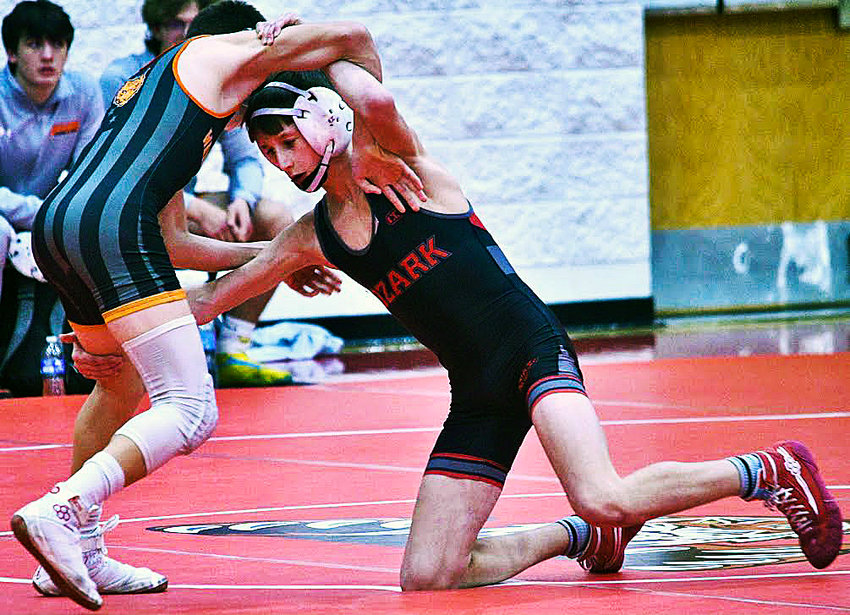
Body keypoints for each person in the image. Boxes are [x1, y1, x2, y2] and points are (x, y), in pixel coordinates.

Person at [186, 39, 845, 590]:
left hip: (532, 348)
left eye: (286, 142)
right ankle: (582, 536)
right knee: (429, 573)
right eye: (268, 152)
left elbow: (373, 93)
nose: (280, 162)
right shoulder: (314, 234)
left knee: (602, 488)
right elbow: (216, 295)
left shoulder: (406, 169)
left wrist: (305, 44)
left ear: (322, 118)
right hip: (476, 391)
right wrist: (110, 323)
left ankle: (766, 468)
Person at [10, 3, 421, 610]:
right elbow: (356, 36)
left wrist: (279, 253)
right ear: (246, 39)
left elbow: (173, 241)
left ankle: (81, 554)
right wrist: (367, 145)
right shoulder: (222, 55)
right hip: (110, 231)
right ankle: (61, 509)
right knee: (191, 409)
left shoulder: (159, 91)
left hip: (60, 228)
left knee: (118, 385)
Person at [100, 0, 298, 388]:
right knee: (185, 407)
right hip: (138, 204)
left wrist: (243, 200)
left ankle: (232, 346)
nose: (185, 34)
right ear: (156, 28)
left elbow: (244, 157)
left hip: (164, 200)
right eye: (176, 24)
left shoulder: (218, 76)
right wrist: (288, 256)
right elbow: (130, 170)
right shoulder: (135, 77)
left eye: (193, 25)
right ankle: (131, 347)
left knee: (275, 219)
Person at [0, 0, 102, 311]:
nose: (48, 55)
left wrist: (57, 217)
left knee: (102, 227)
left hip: (51, 217)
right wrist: (42, 214)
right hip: (11, 214)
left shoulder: (84, 91)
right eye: (34, 44)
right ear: (12, 53)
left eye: (57, 45)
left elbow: (90, 174)